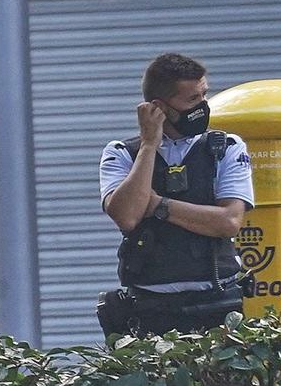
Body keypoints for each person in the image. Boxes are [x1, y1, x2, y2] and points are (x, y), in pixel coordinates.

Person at [96, 52, 255, 338]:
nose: (203, 106)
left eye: (204, 95)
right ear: (159, 107)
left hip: (218, 305)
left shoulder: (226, 148)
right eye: (192, 100)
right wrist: (148, 145)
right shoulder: (121, 153)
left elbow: (229, 221)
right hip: (150, 310)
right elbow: (127, 216)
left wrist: (158, 204)